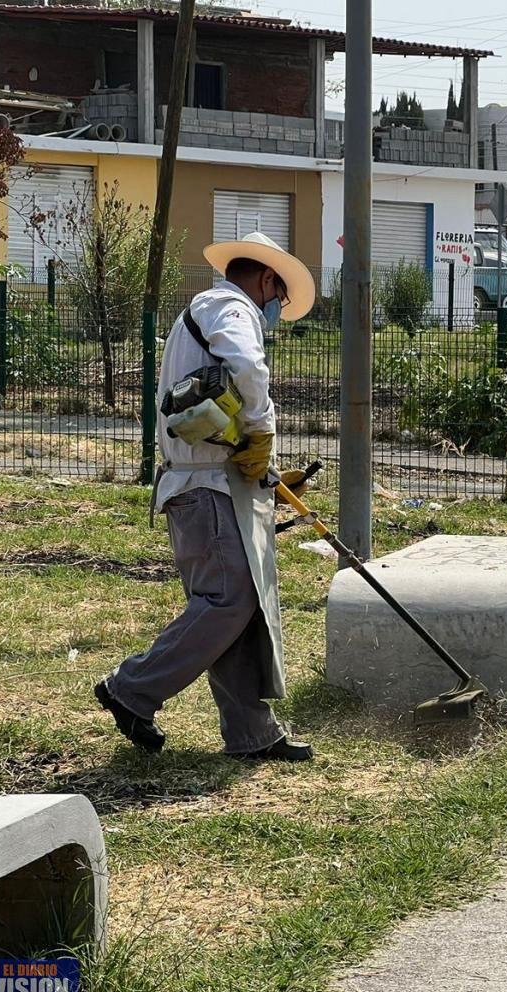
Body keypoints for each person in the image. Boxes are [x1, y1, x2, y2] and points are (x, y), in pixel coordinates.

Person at [95, 232, 316, 761]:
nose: (276, 310)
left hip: (214, 483)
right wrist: (261, 432)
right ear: (265, 280)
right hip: (205, 487)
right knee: (228, 600)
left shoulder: (212, 314)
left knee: (240, 608)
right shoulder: (227, 305)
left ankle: (251, 733)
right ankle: (132, 688)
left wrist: (267, 471)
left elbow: (222, 410)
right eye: (279, 298)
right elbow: (246, 368)